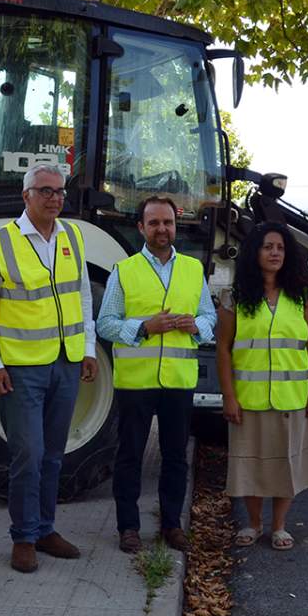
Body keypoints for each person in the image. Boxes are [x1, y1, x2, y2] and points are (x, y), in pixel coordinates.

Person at [0, 163, 98, 573]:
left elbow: (82, 297)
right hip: (21, 369)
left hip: (65, 363)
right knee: (29, 452)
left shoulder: (73, 237)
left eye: (59, 191)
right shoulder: (1, 244)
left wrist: (89, 348)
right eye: (45, 191)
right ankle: (23, 537)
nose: (55, 198)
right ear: (26, 196)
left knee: (54, 455)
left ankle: (45, 529)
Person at [97, 196, 217, 554]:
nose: (162, 229)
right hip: (137, 381)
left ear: (175, 225)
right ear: (141, 228)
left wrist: (198, 325)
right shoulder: (125, 270)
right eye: (154, 223)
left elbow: (209, 318)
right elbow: (105, 324)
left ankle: (171, 525)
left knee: (176, 457)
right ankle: (128, 528)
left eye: (167, 222)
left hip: (178, 380)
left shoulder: (193, 270)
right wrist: (145, 327)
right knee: (130, 456)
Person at [216, 222, 308, 551]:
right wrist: (229, 397)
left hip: (291, 398)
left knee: (285, 464)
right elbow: (223, 347)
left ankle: (279, 526)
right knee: (251, 464)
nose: (274, 253)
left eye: (280, 247)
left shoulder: (299, 294)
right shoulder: (235, 296)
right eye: (267, 247)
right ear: (254, 252)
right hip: (249, 399)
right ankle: (253, 524)